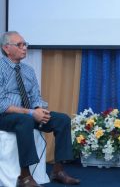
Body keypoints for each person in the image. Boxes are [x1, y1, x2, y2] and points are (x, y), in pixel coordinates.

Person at [0, 31, 80, 187]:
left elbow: (36, 95)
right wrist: (31, 113)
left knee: (62, 120)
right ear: (6, 48)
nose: (24, 48)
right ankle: (24, 176)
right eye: (20, 45)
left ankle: (58, 170)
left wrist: (39, 109)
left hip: (29, 114)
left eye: (25, 44)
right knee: (25, 121)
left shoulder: (28, 70)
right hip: (5, 116)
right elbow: (1, 103)